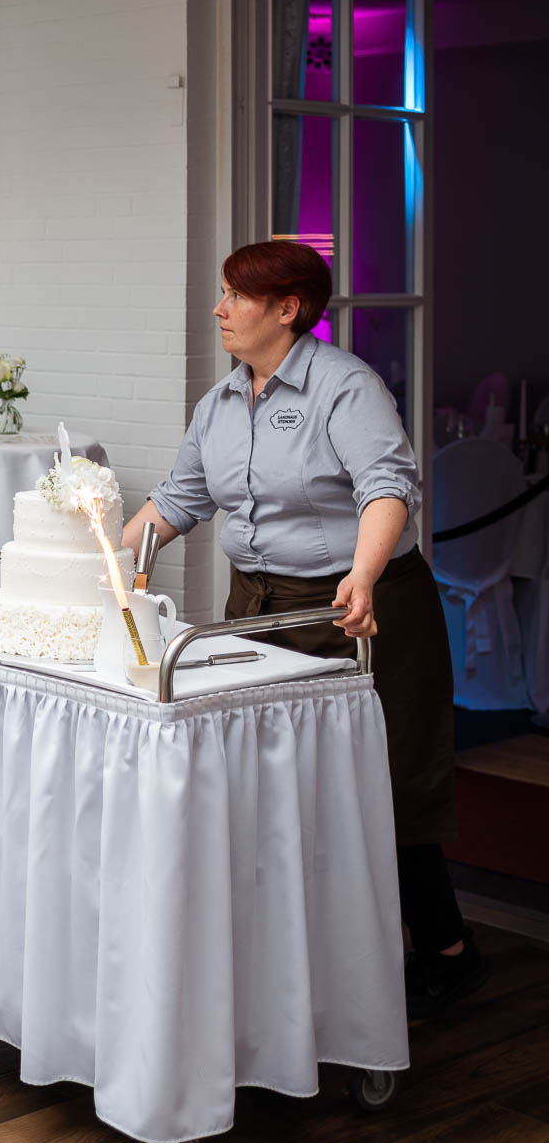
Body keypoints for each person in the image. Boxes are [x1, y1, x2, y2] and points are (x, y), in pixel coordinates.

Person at [121, 240, 487, 1020]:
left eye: (233, 297)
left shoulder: (344, 387)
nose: (218, 310)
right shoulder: (219, 403)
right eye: (219, 294)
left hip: (363, 605)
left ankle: (447, 952)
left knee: (381, 782)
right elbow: (177, 500)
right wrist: (104, 556)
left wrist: (362, 569)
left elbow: (389, 486)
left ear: (287, 309)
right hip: (259, 607)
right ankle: (300, 949)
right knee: (265, 775)